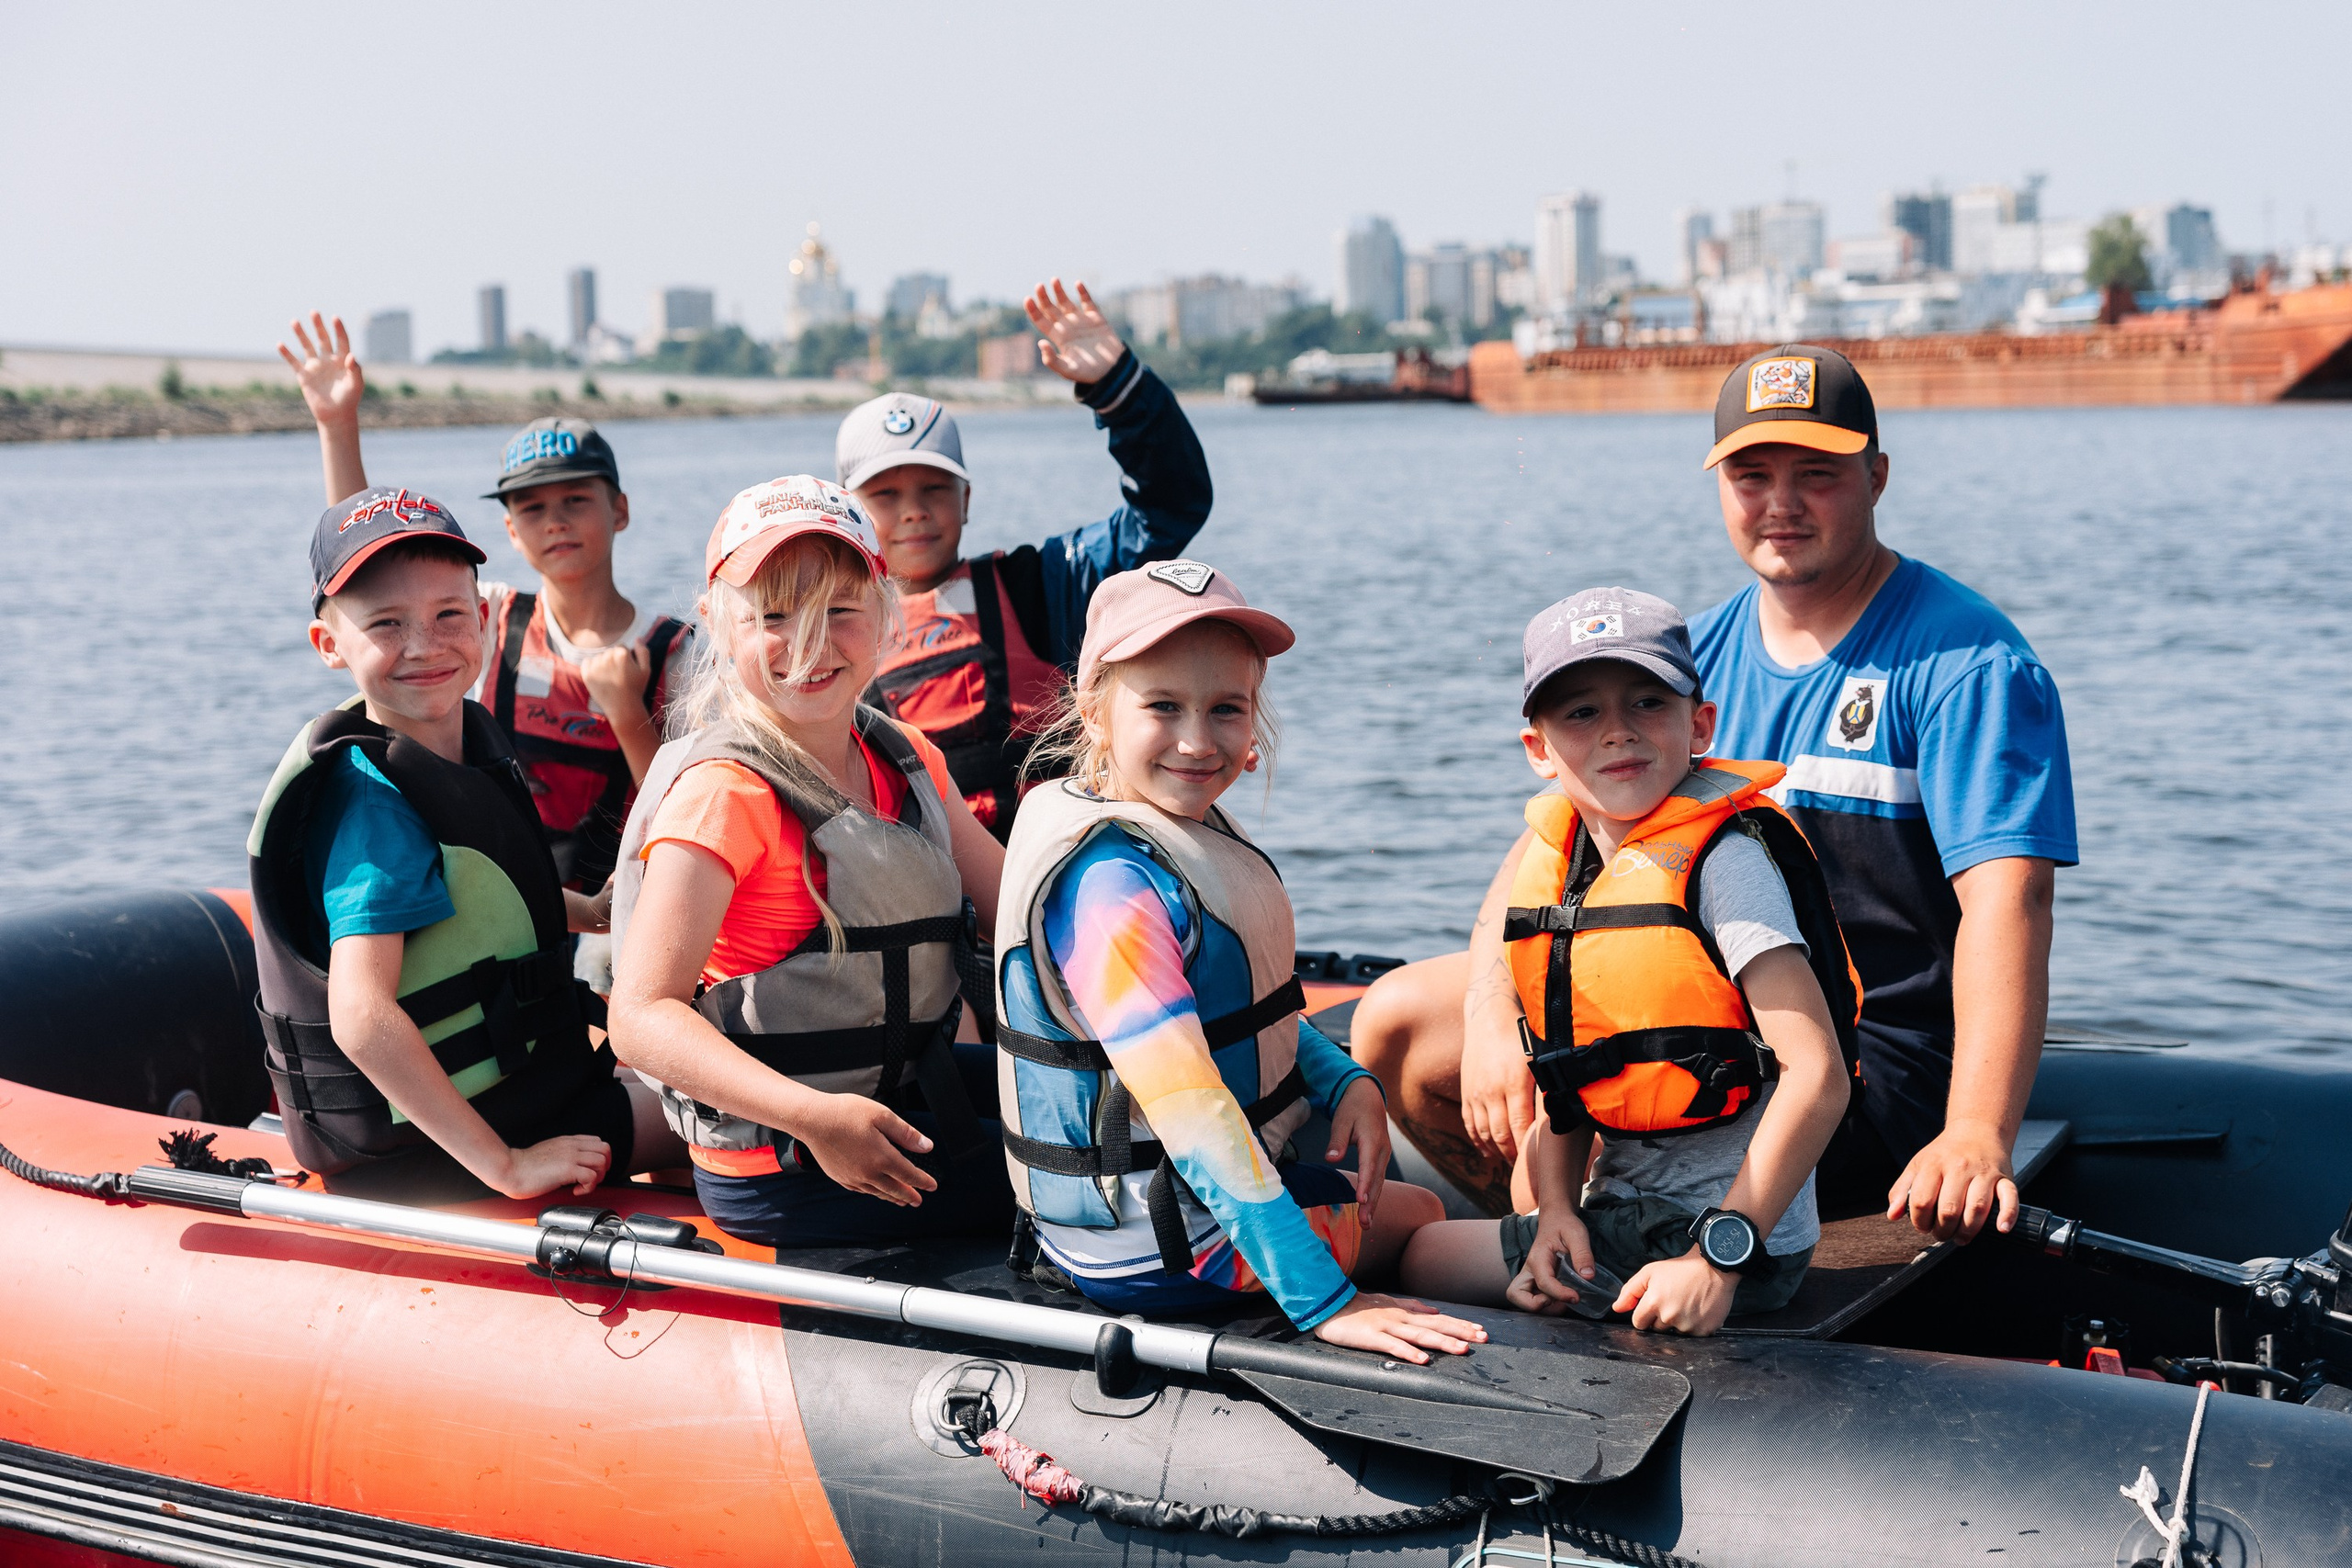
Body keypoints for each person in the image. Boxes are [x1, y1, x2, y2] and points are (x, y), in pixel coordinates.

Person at [1354, 344, 2075, 1244]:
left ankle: (1616, 1246)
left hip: (1863, 1055)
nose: (1780, 503)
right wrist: (1492, 1012)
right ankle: (1560, 1243)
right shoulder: (1687, 659)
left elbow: (2011, 903)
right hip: (1699, 1001)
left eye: (1817, 474)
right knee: (1395, 1022)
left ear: (1877, 477)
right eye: (1750, 474)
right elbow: (1548, 850)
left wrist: (1975, 1130)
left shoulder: (1968, 663)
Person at [994, 560, 1484, 1363]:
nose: (1198, 740)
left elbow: (1257, 1014)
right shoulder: (1111, 887)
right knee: (1420, 1214)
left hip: (1152, 1219)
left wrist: (1348, 1080)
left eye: (1227, 709)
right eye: (1163, 707)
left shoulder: (1165, 827)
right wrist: (1326, 1302)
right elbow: (1189, 1111)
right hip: (1163, 1248)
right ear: (1094, 711)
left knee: (1390, 1180)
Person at [1395, 590, 1858, 1337]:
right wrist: (1554, 1214)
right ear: (1538, 750)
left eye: (1647, 701)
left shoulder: (1725, 866)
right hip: (1630, 1209)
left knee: (1418, 1252)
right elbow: (1572, 1075)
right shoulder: (1571, 869)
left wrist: (1718, 1257)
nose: (1617, 732)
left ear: (1698, 725)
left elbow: (1819, 1073)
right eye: (1582, 713)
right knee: (1504, 1219)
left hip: (1721, 1240)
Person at [605, 477, 1012, 1249]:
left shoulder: (908, 756)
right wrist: (813, 1118)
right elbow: (639, 1018)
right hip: (792, 1159)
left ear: (886, 610)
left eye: (841, 612)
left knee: (1120, 1128)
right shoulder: (724, 794)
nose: (811, 645)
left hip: (905, 1098)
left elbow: (1025, 914)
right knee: (1099, 1187)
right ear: (719, 627)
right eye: (775, 616)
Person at [246, 486, 681, 1201]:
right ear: (330, 645)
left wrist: (594, 910)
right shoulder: (375, 808)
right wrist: (506, 1165)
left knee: (684, 1060)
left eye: (448, 614)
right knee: (723, 1115)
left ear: (482, 620)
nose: (424, 645)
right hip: (447, 1140)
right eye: (386, 624)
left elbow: (468, 903)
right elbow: (362, 1015)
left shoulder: (454, 748)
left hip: (523, 1085)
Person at [280, 316, 693, 968]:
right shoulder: (488, 617)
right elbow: (368, 565)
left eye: (575, 500)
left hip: (621, 917)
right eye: (532, 509)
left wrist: (630, 719)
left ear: (619, 509)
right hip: (506, 899)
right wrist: (338, 426)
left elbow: (689, 815)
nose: (555, 522)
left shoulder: (676, 651)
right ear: (509, 530)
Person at [841, 280, 1213, 840]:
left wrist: (1119, 388)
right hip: (932, 901)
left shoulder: (1042, 586)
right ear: (849, 512)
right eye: (886, 496)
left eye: (934, 489)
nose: (914, 512)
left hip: (1062, 871)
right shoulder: (831, 639)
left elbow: (1170, 507)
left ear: (967, 500)